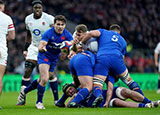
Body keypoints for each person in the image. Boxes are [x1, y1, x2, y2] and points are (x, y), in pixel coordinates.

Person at [79, 24, 144, 107]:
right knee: (130, 82)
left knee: (98, 83)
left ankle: (98, 96)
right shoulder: (123, 40)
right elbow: (122, 57)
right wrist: (118, 71)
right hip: (117, 61)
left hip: (103, 59)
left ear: (110, 30)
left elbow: (91, 33)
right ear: (119, 32)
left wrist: (81, 44)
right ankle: (145, 101)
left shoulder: (103, 32)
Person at [17, 15, 73, 109]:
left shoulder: (67, 34)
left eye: (62, 25)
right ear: (54, 24)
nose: (60, 26)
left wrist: (66, 52)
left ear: (65, 25)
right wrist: (42, 48)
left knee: (41, 79)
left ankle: (25, 91)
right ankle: (39, 102)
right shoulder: (48, 33)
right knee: (45, 79)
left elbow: (72, 44)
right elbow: (41, 45)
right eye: (58, 24)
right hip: (44, 56)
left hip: (54, 59)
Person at [16, 0, 59, 106]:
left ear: (42, 8)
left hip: (47, 48)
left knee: (49, 75)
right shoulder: (28, 19)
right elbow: (28, 34)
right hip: (34, 47)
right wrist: (26, 48)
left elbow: (57, 31)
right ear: (33, 8)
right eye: (36, 8)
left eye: (39, 7)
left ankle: (56, 100)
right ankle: (22, 98)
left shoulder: (49, 18)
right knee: (28, 69)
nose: (38, 9)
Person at [62, 82, 160, 108]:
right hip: (105, 103)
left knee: (127, 91)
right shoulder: (76, 100)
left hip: (110, 92)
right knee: (118, 102)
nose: (70, 91)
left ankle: (150, 101)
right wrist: (74, 97)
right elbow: (67, 106)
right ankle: (146, 106)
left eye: (70, 89)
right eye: (68, 93)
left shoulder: (84, 86)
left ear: (74, 87)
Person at [0, 0, 15, 109]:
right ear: (2, 7)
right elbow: (12, 36)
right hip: (2, 49)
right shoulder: (7, 18)